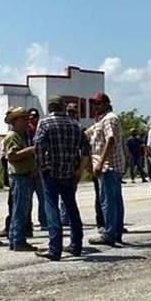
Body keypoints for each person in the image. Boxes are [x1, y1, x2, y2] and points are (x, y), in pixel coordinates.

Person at [35, 97, 85, 260]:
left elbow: (39, 147)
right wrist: (79, 170)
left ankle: (55, 249)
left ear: (49, 107)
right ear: (63, 107)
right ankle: (76, 245)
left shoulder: (45, 123)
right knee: (71, 208)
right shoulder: (75, 125)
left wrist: (43, 167)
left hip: (51, 173)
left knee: (52, 209)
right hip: (69, 172)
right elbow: (85, 150)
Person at [88, 92, 125, 246]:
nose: (94, 107)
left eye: (97, 104)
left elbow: (110, 139)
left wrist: (100, 163)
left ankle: (110, 233)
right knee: (114, 200)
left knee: (108, 201)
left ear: (105, 104)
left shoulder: (109, 119)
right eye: (94, 104)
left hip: (108, 167)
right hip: (112, 167)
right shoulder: (101, 120)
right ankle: (116, 231)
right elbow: (87, 134)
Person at [2, 107, 37, 252]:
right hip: (19, 176)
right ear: (15, 121)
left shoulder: (23, 135)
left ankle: (15, 238)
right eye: (23, 119)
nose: (26, 121)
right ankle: (18, 240)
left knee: (21, 209)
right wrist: (31, 150)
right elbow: (12, 156)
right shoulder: (13, 136)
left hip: (25, 176)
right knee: (20, 210)